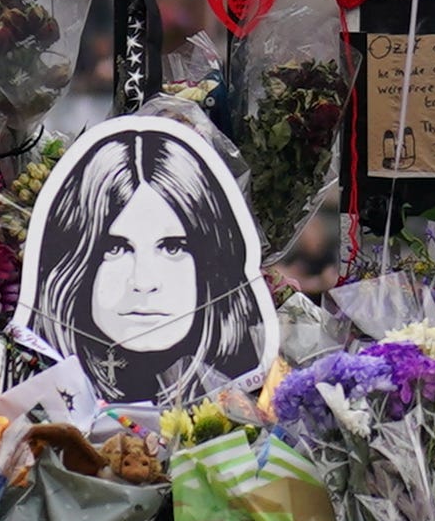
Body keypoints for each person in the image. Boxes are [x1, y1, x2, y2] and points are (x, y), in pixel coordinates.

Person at [15, 111, 268, 406]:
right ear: (75, 262)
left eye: (172, 247)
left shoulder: (266, 392)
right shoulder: (10, 379)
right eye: (116, 249)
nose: (143, 282)